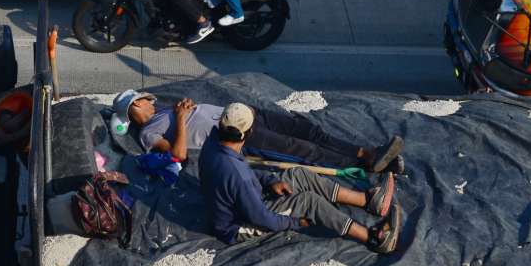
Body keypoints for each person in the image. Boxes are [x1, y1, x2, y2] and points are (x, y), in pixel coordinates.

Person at [199, 103, 402, 253]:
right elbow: (261, 218)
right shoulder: (237, 175)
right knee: (309, 202)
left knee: (299, 174)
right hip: (237, 226)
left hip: (242, 200)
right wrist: (295, 223)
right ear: (248, 133)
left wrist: (270, 181)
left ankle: (367, 201)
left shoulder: (214, 144)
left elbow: (246, 174)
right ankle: (373, 238)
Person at [109, 89, 404, 173]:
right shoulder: (148, 134)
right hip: (237, 134)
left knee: (308, 131)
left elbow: (189, 112)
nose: (143, 103)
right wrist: (182, 117)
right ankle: (362, 165)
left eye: (141, 98)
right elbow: (177, 156)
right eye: (135, 105)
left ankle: (366, 153)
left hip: (247, 114)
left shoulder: (163, 109)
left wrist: (185, 107)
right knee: (299, 149)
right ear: (131, 115)